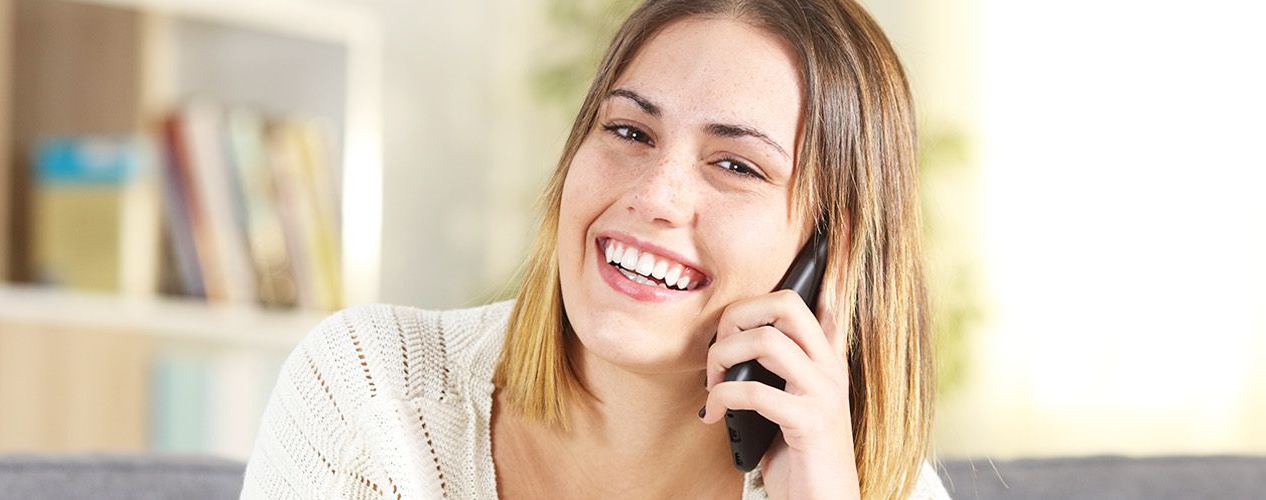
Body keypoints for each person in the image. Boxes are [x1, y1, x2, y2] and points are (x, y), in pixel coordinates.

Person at [241, 0, 948, 498]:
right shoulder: (372, 395)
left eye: (736, 165)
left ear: (830, 255)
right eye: (630, 132)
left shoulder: (865, 485)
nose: (655, 196)